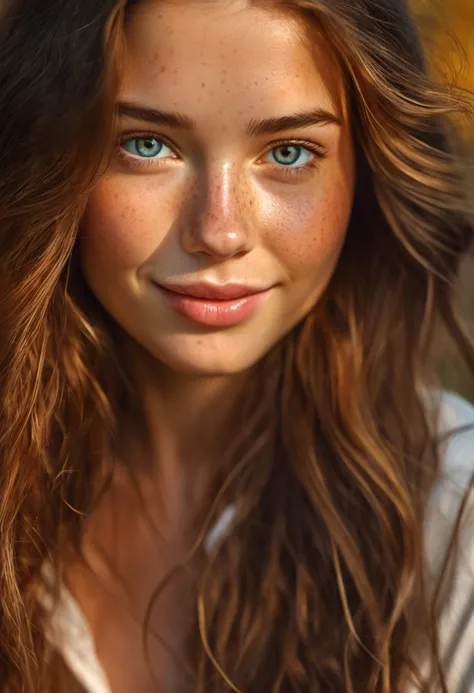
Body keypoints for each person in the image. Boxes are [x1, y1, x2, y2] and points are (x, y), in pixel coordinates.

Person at [0, 0, 473, 691]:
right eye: (147, 143)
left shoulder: (452, 516)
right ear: (53, 153)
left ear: (365, 170)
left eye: (288, 152)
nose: (219, 232)